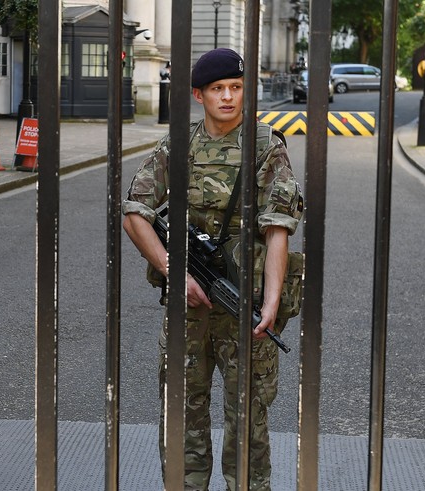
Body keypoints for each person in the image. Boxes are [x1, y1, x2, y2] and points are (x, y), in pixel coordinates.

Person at [122, 48, 303, 489]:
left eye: (236, 88)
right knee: (183, 413)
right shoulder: (179, 144)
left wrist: (272, 303)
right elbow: (133, 211)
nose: (228, 97)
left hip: (249, 304)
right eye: (218, 89)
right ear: (198, 95)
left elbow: (278, 227)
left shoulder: (266, 146)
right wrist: (173, 269)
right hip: (190, 304)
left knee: (248, 420)